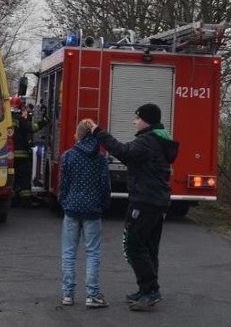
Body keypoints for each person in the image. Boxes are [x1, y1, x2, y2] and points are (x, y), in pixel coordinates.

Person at [89, 103, 179, 311]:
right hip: (158, 201)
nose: (134, 121)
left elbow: (123, 152)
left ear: (146, 120)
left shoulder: (147, 142)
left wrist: (98, 133)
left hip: (145, 202)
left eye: (137, 118)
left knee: (134, 245)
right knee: (149, 247)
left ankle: (150, 290)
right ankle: (146, 289)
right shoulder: (160, 139)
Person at [59, 119, 111, 309]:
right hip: (93, 210)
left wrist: (63, 202)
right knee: (92, 253)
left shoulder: (69, 156)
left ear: (78, 135)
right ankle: (92, 294)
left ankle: (67, 294)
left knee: (69, 252)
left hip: (72, 208)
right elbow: (105, 186)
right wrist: (103, 205)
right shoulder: (100, 159)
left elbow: (63, 184)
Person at [10, 95, 47, 208]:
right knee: (25, 179)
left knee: (14, 179)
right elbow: (32, 128)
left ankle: (14, 200)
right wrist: (44, 121)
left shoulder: (5, 118)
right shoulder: (19, 119)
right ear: (20, 107)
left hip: (9, 156)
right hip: (21, 155)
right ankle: (26, 202)